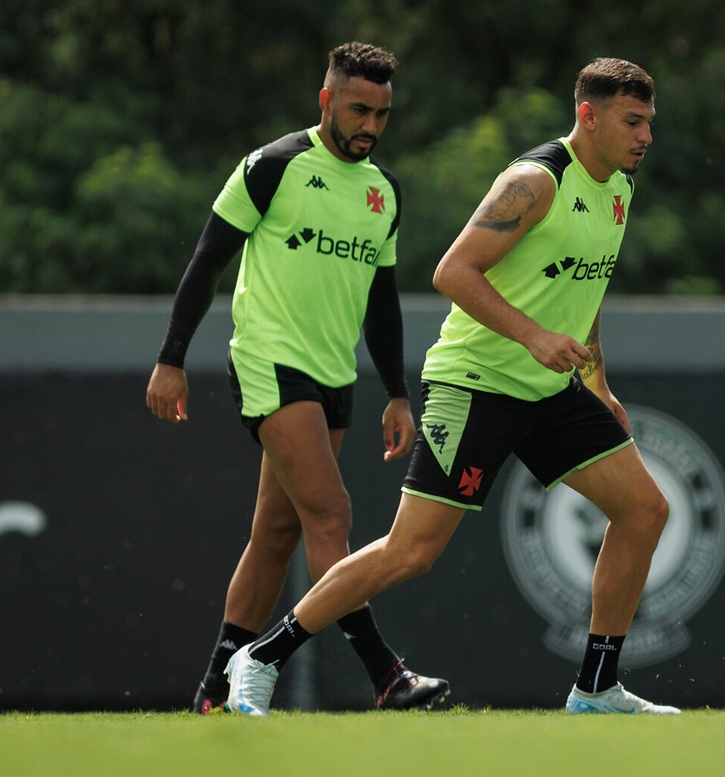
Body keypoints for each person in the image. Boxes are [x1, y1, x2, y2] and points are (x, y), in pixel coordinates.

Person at [224, 56, 679, 716]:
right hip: (477, 384)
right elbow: (452, 271)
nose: (644, 136)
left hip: (551, 391)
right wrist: (533, 337)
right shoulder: (535, 181)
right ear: (589, 115)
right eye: (632, 121)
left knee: (644, 511)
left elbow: (587, 286)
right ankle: (261, 656)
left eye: (649, 123)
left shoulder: (620, 189)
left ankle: (597, 689)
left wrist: (597, 380)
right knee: (412, 552)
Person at [146, 41, 448, 714]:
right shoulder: (273, 166)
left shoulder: (384, 192)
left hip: (334, 375)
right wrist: (171, 357)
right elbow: (206, 262)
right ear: (326, 100)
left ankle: (216, 688)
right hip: (269, 361)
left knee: (277, 535)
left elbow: (382, 298)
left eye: (382, 114)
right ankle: (384, 673)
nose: (369, 125)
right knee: (333, 512)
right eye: (357, 109)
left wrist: (398, 391)